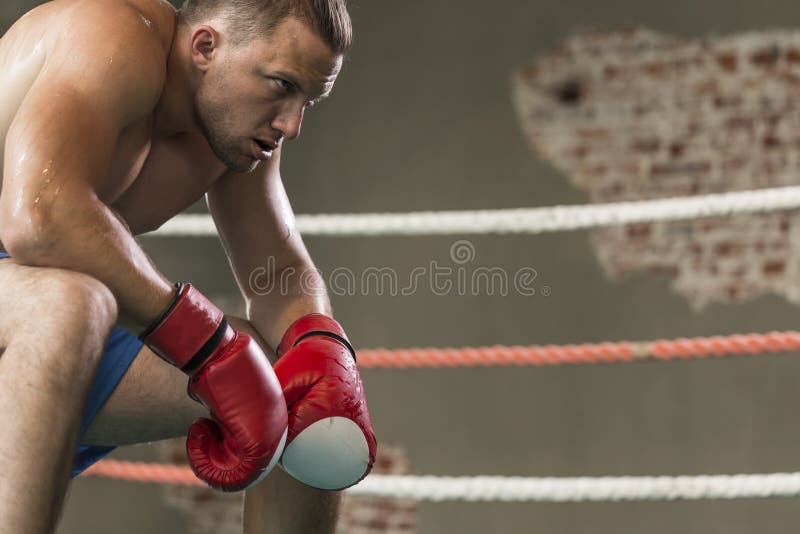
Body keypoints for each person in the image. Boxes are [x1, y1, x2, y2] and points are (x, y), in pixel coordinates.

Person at [0, 0, 377, 532]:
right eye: (281, 85)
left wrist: (320, 342)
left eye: (307, 101)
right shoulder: (111, 38)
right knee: (69, 303)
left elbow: (278, 273)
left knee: (294, 387)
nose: (292, 124)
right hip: (41, 302)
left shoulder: (234, 130)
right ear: (205, 47)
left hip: (40, 317)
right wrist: (207, 345)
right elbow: (38, 216)